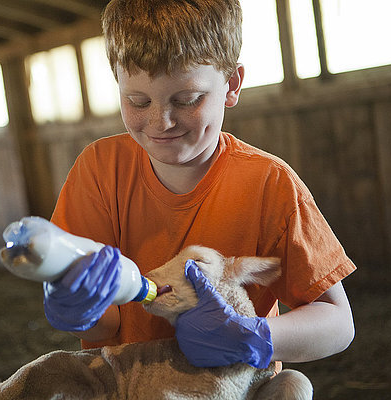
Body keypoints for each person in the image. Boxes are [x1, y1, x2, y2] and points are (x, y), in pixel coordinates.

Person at [43, 0, 355, 372]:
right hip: (130, 387)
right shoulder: (99, 170)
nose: (162, 122)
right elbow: (108, 323)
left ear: (232, 85)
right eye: (137, 100)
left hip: (233, 388)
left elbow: (337, 321)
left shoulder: (268, 184)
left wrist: (250, 335)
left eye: (187, 99)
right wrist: (77, 306)